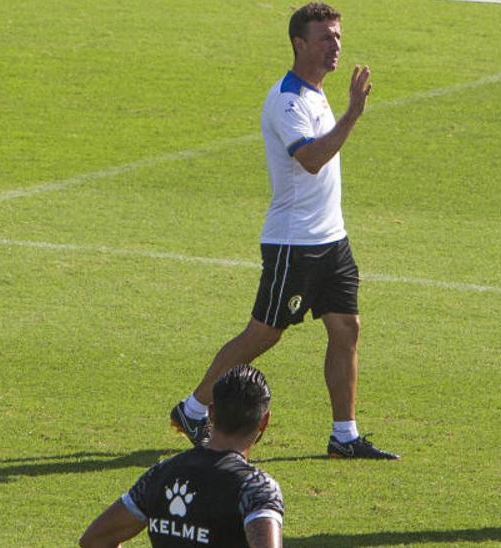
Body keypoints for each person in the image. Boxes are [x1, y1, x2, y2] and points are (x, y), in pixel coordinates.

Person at [169, 2, 397, 460]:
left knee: (347, 328)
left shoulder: (316, 91)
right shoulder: (287, 100)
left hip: (331, 240)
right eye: (325, 38)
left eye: (338, 36)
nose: (336, 46)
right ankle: (194, 408)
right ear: (299, 43)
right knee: (264, 333)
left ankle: (344, 435)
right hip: (294, 243)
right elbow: (310, 160)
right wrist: (352, 115)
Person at [83, 365, 284, 548]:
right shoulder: (256, 487)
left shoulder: (161, 474)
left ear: (211, 413)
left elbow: (95, 540)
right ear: (264, 421)